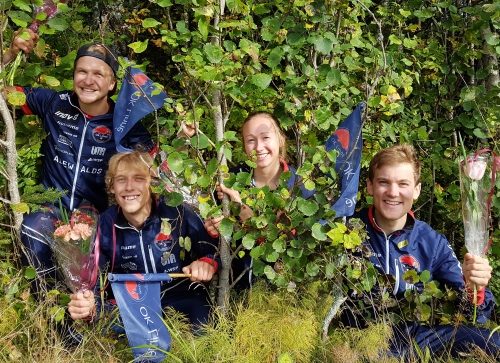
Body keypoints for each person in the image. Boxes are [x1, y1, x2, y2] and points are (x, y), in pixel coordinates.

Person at [4, 31, 155, 294]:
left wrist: (182, 139)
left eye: (98, 74)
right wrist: (10, 53)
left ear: (112, 84)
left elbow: (158, 170)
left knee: (95, 272)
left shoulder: (125, 123)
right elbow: (4, 93)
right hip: (49, 207)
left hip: (93, 214)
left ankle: (88, 318)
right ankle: (46, 309)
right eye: (81, 72)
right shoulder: (53, 103)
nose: (88, 80)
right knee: (32, 231)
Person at [342, 143, 499, 358]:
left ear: (416, 190)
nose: (393, 192)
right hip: (353, 341)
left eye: (403, 184)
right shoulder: (345, 230)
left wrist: (476, 288)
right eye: (383, 182)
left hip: (414, 339)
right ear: (370, 186)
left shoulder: (431, 242)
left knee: (493, 341)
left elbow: (476, 314)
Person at [68, 150, 219, 331]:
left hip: (182, 298)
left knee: (206, 334)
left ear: (152, 184)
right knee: (99, 326)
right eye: (121, 179)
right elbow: (93, 280)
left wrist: (206, 263)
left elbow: (213, 251)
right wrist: (86, 302)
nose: (129, 187)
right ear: (112, 187)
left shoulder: (177, 212)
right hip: (130, 305)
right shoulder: (105, 225)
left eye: (139, 178)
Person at [204, 111, 314, 289]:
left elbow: (300, 251)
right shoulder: (231, 182)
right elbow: (216, 244)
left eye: (265, 137)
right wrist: (213, 229)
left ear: (281, 140)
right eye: (251, 140)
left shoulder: (301, 187)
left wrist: (247, 218)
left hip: (288, 295)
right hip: (236, 291)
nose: (259, 147)